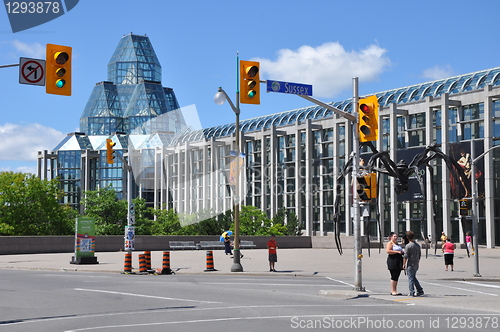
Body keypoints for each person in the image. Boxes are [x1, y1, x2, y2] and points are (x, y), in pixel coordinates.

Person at [403, 231, 424, 297]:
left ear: (407, 237)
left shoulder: (408, 246)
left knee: (410, 278)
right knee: (413, 277)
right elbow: (419, 255)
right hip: (416, 263)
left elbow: (405, 256)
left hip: (410, 263)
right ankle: (420, 290)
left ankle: (412, 291)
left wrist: (404, 264)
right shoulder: (417, 245)